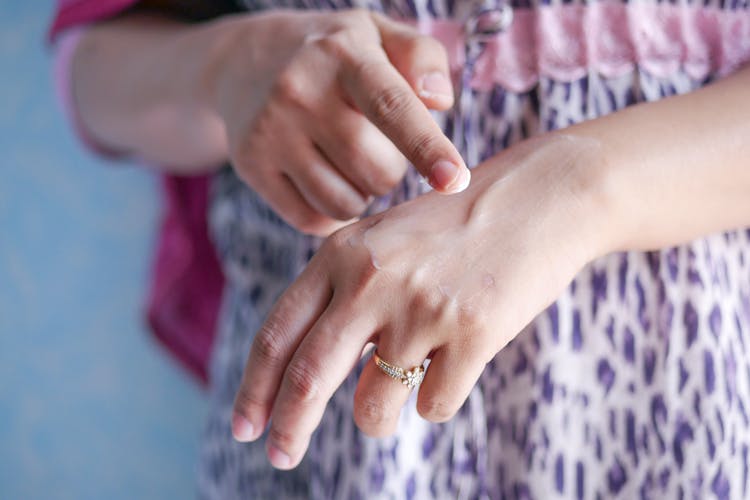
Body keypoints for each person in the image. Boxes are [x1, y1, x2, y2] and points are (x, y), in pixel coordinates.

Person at [51, 0, 750, 497]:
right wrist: (228, 63)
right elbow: (92, 69)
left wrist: (574, 188)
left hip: (670, 405)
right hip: (319, 417)